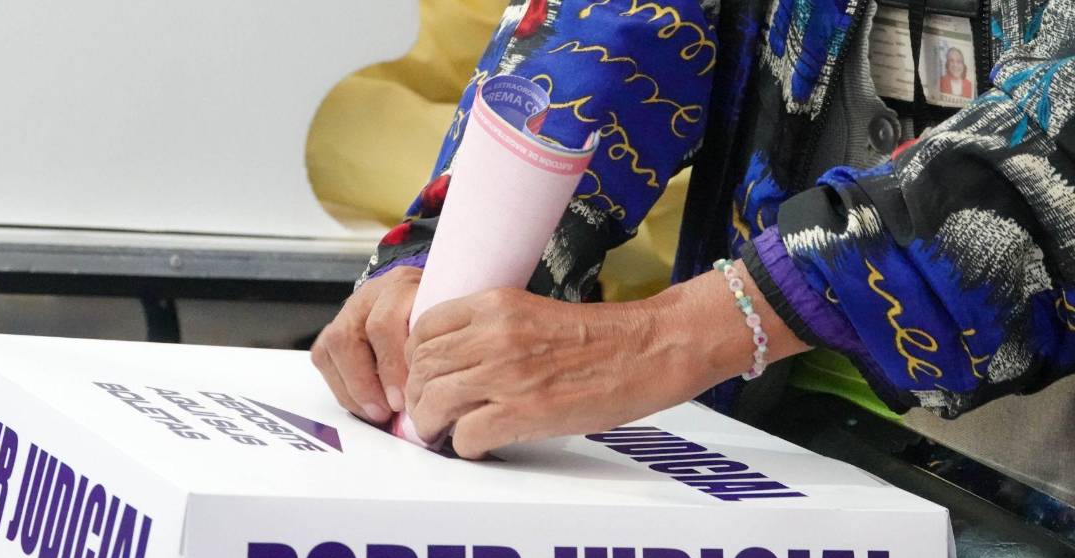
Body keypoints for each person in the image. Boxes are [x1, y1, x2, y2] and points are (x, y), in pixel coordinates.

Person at [312, 0, 1075, 458]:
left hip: (1032, 468)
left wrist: (676, 334)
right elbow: (618, 22)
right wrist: (449, 261)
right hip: (763, 424)